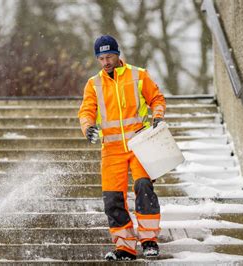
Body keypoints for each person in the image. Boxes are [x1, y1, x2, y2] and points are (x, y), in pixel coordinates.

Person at [78, 35, 166, 261]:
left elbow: (156, 98)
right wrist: (87, 127)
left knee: (144, 187)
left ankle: (149, 242)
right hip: (112, 149)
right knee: (112, 199)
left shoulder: (138, 75)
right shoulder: (93, 84)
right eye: (101, 57)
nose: (106, 61)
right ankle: (125, 247)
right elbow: (86, 111)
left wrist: (157, 116)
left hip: (140, 144)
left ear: (118, 55)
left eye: (109, 56)